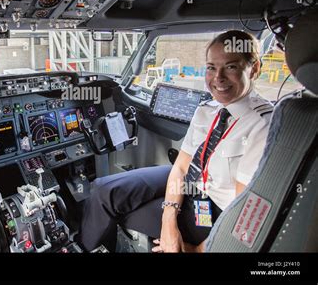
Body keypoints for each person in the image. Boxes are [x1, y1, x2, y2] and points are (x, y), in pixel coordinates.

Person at [78, 30, 273, 252]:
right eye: (211, 67)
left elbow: (242, 214)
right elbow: (181, 167)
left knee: (125, 215)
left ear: (254, 68)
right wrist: (169, 219)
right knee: (104, 190)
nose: (218, 78)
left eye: (231, 67)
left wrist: (196, 250)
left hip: (217, 209)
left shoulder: (262, 125)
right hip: (191, 183)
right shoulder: (207, 110)